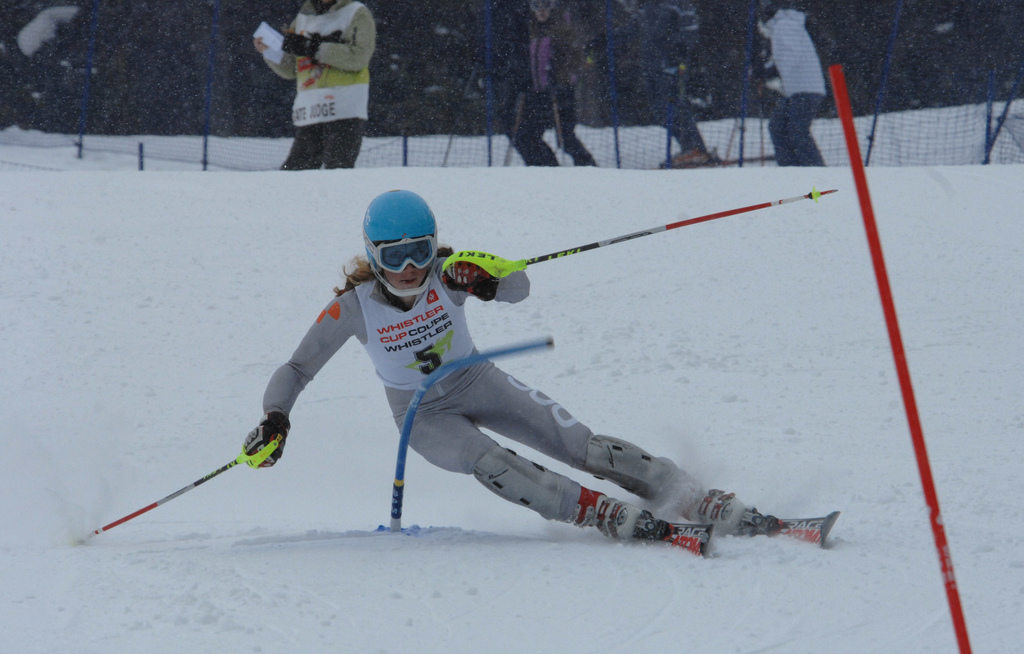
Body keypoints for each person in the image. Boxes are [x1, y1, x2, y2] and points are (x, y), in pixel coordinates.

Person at [241, 189, 784, 546]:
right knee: (490, 460)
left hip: (480, 382)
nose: (408, 270)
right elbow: (296, 367)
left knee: (584, 447)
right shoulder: (353, 306)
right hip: (422, 416)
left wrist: (488, 282)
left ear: (433, 246)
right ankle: (597, 512)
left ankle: (687, 493)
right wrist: (275, 416)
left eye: (418, 252)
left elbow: (520, 288)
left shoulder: (449, 272)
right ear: (372, 255)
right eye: (392, 257)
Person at [254, 0, 375, 170]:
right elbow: (291, 69)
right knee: (295, 172)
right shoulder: (303, 18)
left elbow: (359, 57)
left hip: (345, 108)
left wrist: (313, 48)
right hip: (311, 110)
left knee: (338, 170)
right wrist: (269, 51)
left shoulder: (357, 13)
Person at [511, 0, 596, 167]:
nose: (541, 11)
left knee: (565, 137)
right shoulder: (533, 30)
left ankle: (589, 166)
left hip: (560, 92)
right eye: (536, 7)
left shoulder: (562, 29)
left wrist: (560, 75)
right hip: (539, 92)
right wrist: (526, 78)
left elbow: (577, 59)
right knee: (525, 135)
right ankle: (547, 166)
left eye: (545, 6)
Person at [633, 0, 716, 168]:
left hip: (669, 66)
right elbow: (636, 27)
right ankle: (691, 147)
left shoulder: (677, 5)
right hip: (651, 65)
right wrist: (606, 40)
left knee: (674, 106)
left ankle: (694, 148)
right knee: (660, 111)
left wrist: (680, 48)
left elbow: (690, 29)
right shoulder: (647, 6)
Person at [758, 1, 826, 166]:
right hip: (795, 89)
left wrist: (774, 73)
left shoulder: (785, 26)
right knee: (778, 127)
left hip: (805, 88)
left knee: (797, 131)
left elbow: (790, 57)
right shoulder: (780, 27)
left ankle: (815, 169)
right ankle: (790, 168)